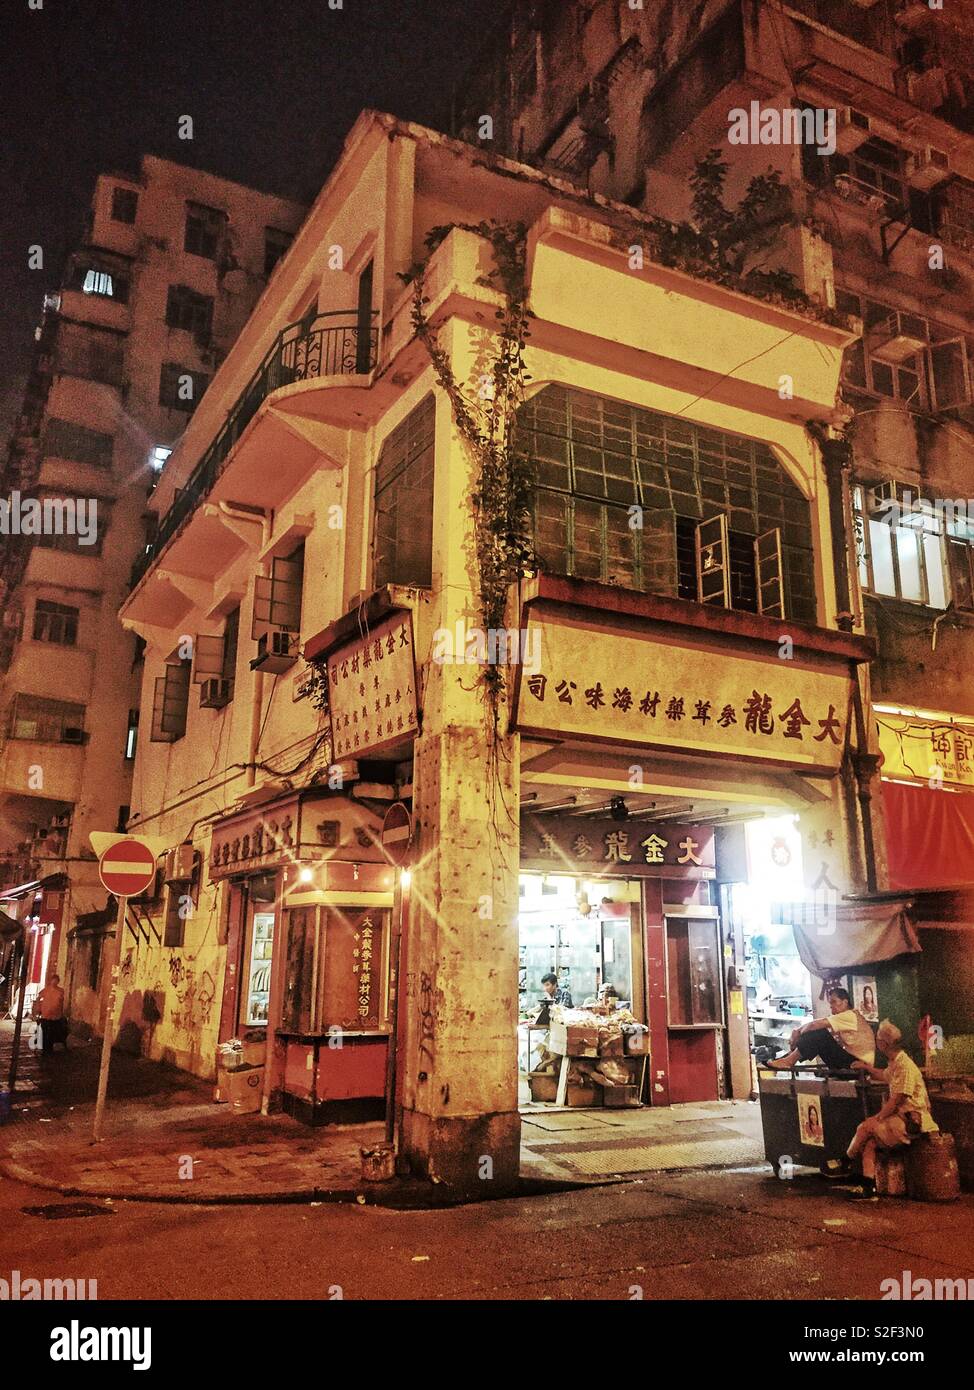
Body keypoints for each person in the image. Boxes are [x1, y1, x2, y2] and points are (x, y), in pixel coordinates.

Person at [843, 1019, 939, 1196]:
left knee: (865, 1127)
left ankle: (846, 1161)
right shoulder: (896, 1062)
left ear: (883, 1044)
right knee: (870, 1142)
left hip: (912, 1123)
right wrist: (867, 1067)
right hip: (899, 1121)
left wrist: (878, 1118)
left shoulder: (905, 1066)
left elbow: (896, 1099)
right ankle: (868, 1187)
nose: (876, 1041)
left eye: (878, 1038)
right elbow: (884, 1075)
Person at [763, 986, 874, 1071]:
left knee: (818, 1033)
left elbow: (814, 1025)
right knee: (816, 1033)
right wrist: (798, 1035)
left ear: (845, 1002)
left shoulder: (849, 1016)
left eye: (834, 1002)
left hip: (859, 1066)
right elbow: (815, 1025)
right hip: (852, 1061)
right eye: (830, 1003)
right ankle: (788, 1058)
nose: (831, 1006)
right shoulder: (841, 1018)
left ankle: (788, 1061)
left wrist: (796, 1033)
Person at [33, 974, 68, 1055]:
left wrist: (61, 1012)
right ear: (51, 981)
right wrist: (38, 1009)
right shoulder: (46, 990)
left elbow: (61, 1002)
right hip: (46, 1015)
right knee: (45, 1032)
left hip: (56, 1016)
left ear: (58, 981)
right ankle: (45, 1049)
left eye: (56, 980)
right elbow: (39, 999)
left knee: (52, 1032)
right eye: (53, 980)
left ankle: (50, 1049)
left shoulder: (60, 991)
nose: (54, 982)